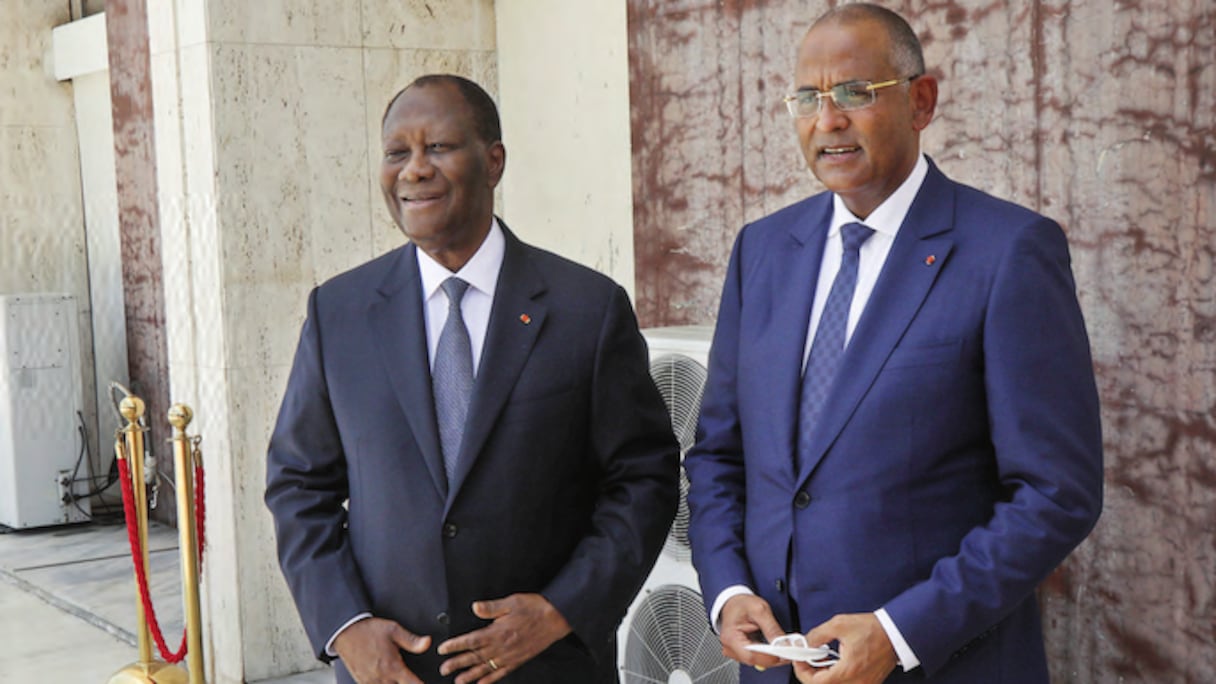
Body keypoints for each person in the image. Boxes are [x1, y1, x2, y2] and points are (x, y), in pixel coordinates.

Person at [684, 4, 1104, 683]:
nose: (828, 121)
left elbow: (1057, 493)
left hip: (941, 666)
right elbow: (719, 456)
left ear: (922, 100)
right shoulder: (762, 251)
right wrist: (728, 592)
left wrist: (902, 631)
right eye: (808, 99)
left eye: (854, 93)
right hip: (775, 667)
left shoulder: (1008, 252)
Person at [265, 74, 680, 684]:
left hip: (546, 667)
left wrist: (561, 609)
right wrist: (345, 627)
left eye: (438, 148)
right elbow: (299, 485)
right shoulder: (340, 313)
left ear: (493, 162)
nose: (414, 170)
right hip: (391, 671)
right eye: (397, 152)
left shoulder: (586, 310)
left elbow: (643, 477)